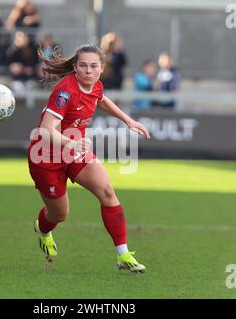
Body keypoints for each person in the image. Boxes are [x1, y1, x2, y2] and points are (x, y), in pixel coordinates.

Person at [27, 44, 150, 273]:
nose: (88, 70)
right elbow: (45, 131)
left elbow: (101, 99)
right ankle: (43, 229)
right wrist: (71, 142)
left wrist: (128, 121)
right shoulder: (65, 92)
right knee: (59, 214)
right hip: (46, 157)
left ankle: (123, 254)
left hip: (75, 151)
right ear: (75, 67)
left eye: (94, 66)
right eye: (83, 66)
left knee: (107, 192)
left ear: (102, 68)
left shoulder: (95, 85)